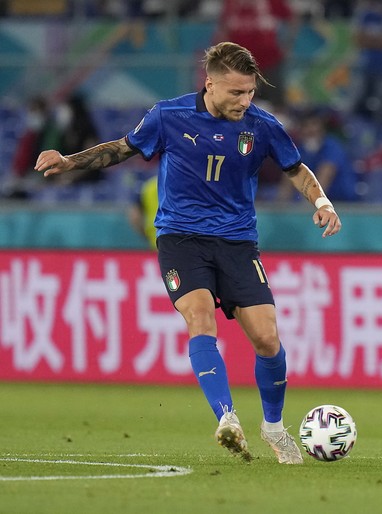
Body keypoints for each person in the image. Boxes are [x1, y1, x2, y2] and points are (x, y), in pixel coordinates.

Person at [35, 41, 342, 464]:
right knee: (200, 319)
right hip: (181, 239)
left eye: (250, 92)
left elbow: (295, 168)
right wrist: (70, 161)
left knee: (267, 339)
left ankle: (273, 427)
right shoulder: (169, 115)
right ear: (210, 84)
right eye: (236, 92)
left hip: (237, 241)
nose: (245, 101)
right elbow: (123, 148)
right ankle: (227, 418)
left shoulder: (262, 125)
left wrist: (322, 202)